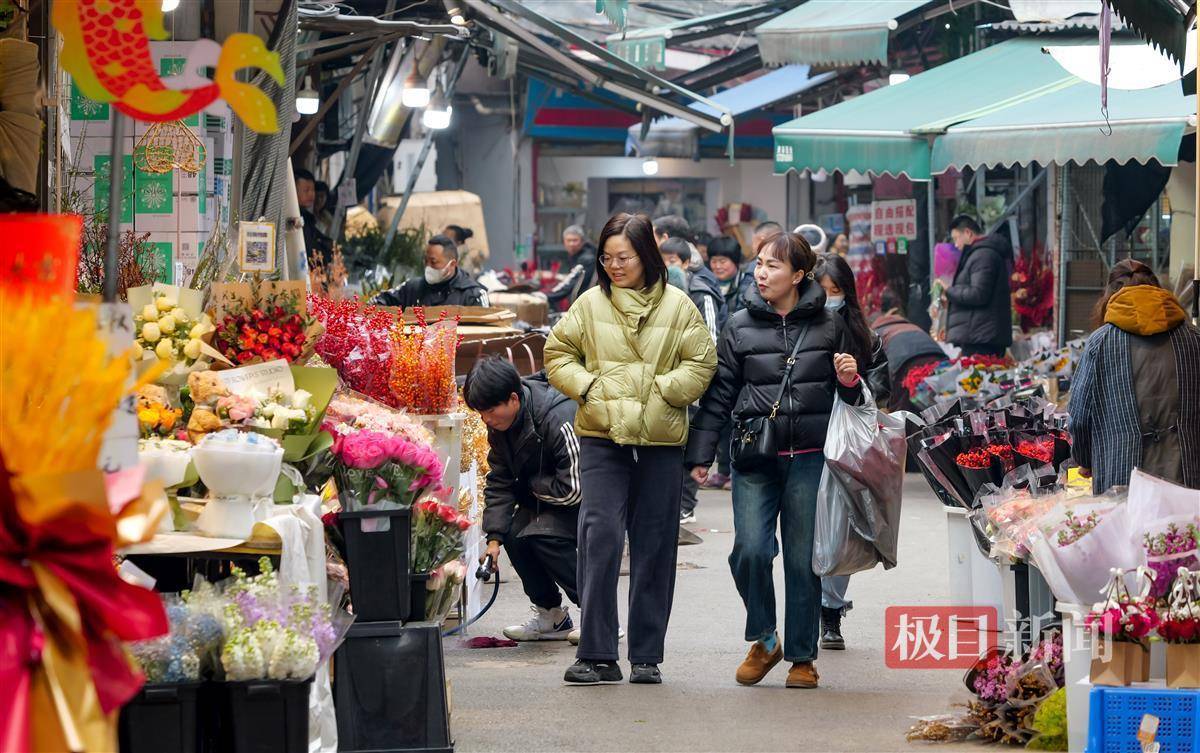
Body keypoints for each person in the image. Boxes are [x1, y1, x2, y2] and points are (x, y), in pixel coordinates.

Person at [544, 212, 717, 685]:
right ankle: (596, 652)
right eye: (608, 257)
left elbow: (702, 362)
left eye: (625, 257)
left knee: (655, 544)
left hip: (661, 442)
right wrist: (591, 388)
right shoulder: (589, 304)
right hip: (603, 436)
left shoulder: (680, 306)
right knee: (598, 536)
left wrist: (661, 392)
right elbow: (558, 354)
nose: (615, 265)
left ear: (647, 256)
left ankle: (646, 653)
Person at [686, 230, 863, 690]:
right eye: (759, 263)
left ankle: (802, 658)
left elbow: (855, 397)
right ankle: (765, 638)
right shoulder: (740, 325)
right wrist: (700, 454)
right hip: (754, 456)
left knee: (802, 561)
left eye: (773, 265)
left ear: (799, 275)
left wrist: (849, 380)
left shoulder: (829, 324)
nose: (761, 272)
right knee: (750, 550)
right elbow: (720, 393)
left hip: (809, 457)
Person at [465, 357, 582, 642]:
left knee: (542, 535)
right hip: (545, 497)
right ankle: (552, 615)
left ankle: (599, 614)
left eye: (490, 411)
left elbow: (576, 488)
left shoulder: (557, 416)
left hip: (583, 501)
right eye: (481, 413)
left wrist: (529, 487)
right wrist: (494, 539)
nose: (486, 420)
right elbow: (499, 481)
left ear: (513, 399)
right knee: (514, 534)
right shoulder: (501, 427)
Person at [809, 253, 890, 651]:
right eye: (821, 291)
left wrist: (853, 381)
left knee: (841, 529)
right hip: (805, 440)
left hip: (846, 446)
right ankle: (810, 605)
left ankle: (831, 609)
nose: (828, 299)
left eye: (835, 291)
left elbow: (881, 388)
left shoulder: (864, 336)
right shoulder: (798, 330)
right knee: (809, 529)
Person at [1068, 259, 1200, 494]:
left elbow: (1080, 416)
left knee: (1127, 531)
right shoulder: (1193, 338)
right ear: (1159, 290)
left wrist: (1085, 459)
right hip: (1187, 476)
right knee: (1182, 531)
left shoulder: (1101, 342)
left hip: (1121, 480)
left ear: (1108, 295)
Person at [661, 236, 727, 524]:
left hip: (694, 385)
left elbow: (710, 343)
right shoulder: (662, 290)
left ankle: (685, 505)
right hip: (671, 385)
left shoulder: (700, 292)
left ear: (687, 263)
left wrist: (695, 381)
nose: (667, 266)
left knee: (689, 443)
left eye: (673, 261)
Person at [944, 215, 1012, 358]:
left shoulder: (983, 255)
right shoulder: (980, 254)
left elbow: (978, 294)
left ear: (968, 233)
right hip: (981, 334)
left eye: (956, 238)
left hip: (983, 338)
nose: (956, 245)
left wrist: (949, 291)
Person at [871, 288, 949, 413]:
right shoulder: (911, 325)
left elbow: (876, 373)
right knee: (943, 408)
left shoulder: (876, 333)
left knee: (905, 414)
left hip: (905, 366)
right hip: (938, 359)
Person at [371, 234, 488, 308]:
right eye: (425, 261)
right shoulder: (412, 288)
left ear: (452, 264)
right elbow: (378, 301)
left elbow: (485, 334)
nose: (428, 266)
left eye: (433, 262)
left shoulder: (473, 295)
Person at [546, 225, 597, 311]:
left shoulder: (586, 258)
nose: (571, 244)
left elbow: (570, 283)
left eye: (575, 240)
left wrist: (546, 296)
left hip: (586, 307)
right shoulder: (578, 256)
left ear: (582, 241)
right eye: (569, 240)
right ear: (564, 242)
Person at [295, 168, 332, 267]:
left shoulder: (307, 218)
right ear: (293, 190)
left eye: (312, 190)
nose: (311, 194)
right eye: (306, 190)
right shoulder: (292, 217)